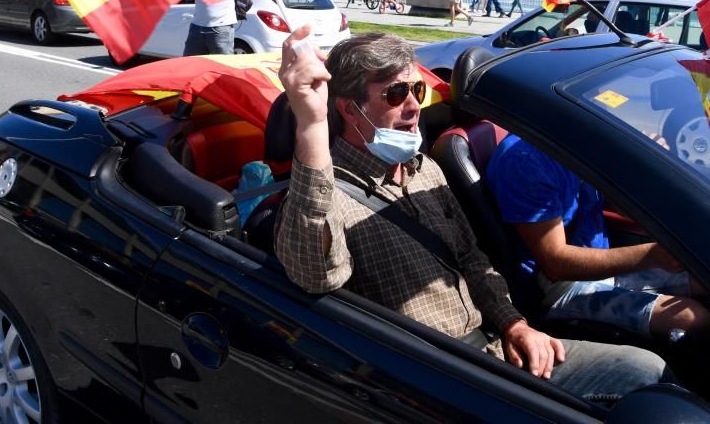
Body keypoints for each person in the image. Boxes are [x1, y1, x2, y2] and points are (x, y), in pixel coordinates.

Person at [275, 30, 669, 402]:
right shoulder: (326, 195)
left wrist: (515, 325)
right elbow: (315, 274)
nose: (414, 105)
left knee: (651, 374)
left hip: (492, 344)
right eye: (396, 94)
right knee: (642, 381)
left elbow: (471, 258)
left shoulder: (423, 168)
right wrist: (310, 124)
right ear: (349, 109)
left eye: (416, 89)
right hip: (436, 378)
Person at [487, 134, 710, 342]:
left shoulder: (580, 136)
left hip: (601, 260)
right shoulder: (526, 162)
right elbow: (555, 264)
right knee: (694, 319)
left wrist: (644, 168)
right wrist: (653, 255)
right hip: (559, 286)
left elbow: (619, 204)